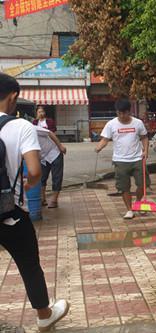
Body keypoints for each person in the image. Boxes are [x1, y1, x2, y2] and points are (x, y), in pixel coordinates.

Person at [0, 73, 69, 331]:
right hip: (10, 212)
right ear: (13, 97)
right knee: (29, 264)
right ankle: (44, 314)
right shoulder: (22, 127)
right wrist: (27, 185)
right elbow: (35, 170)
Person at [95, 99, 150, 219]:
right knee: (124, 187)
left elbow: (144, 137)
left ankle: (138, 202)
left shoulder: (138, 123)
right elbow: (105, 139)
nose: (121, 116)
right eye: (119, 113)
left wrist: (146, 150)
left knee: (142, 184)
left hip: (137, 158)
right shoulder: (111, 124)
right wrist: (99, 147)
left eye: (124, 113)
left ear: (129, 112)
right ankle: (129, 210)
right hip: (120, 160)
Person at [37, 127, 67, 208]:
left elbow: (50, 132)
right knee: (42, 178)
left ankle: (54, 200)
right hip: (43, 158)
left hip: (54, 152)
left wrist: (60, 146)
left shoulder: (33, 129)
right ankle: (42, 199)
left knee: (56, 177)